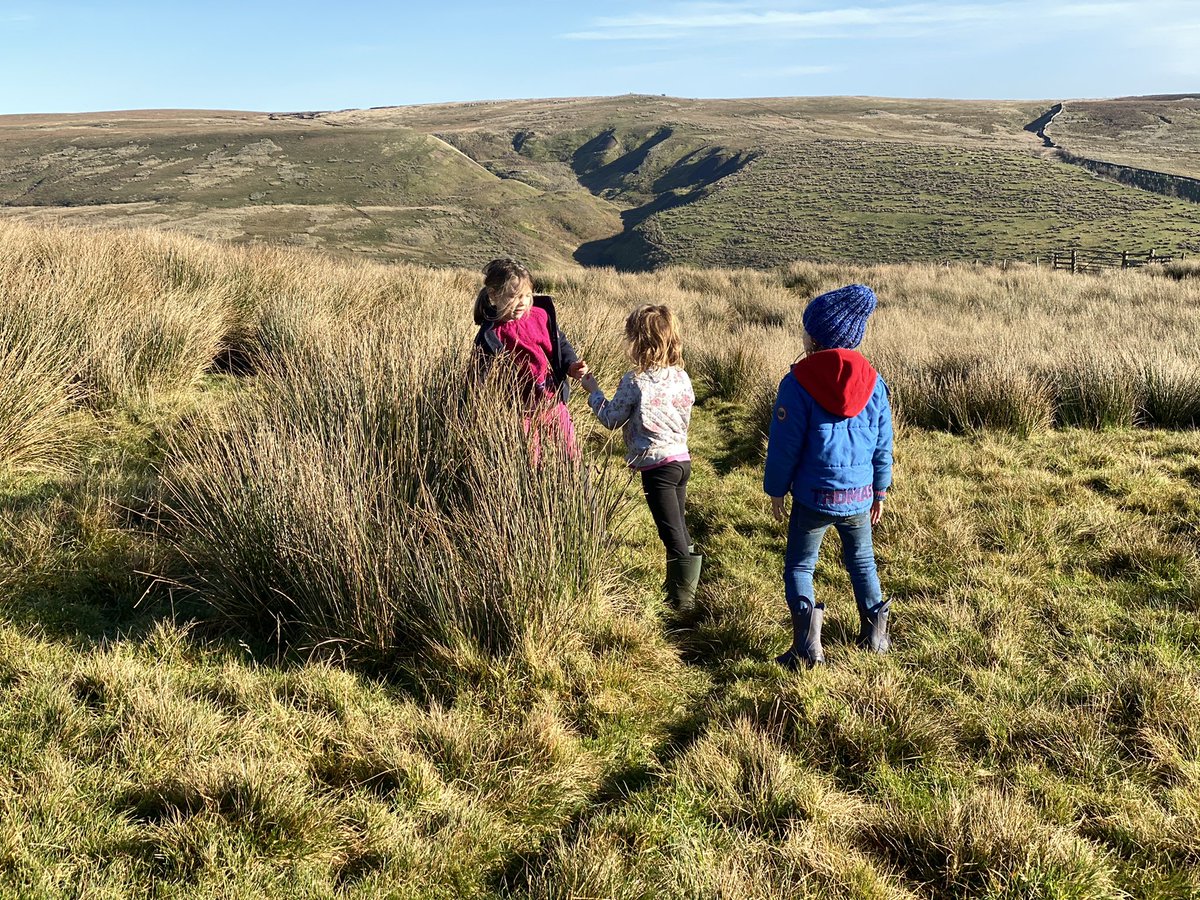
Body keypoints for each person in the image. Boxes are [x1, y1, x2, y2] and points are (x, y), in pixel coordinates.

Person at [763, 284, 893, 669]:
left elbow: (784, 447)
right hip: (859, 496)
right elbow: (883, 445)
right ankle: (876, 636)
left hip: (813, 496)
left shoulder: (797, 383)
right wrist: (880, 490)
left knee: (800, 566)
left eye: (806, 329)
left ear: (815, 337)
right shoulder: (875, 383)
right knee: (863, 562)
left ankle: (807, 647)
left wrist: (776, 490)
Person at [581, 305, 700, 612]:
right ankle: (678, 589)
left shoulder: (635, 382)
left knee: (670, 532)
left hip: (656, 466)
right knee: (678, 527)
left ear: (638, 342)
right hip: (681, 459)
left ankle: (682, 604)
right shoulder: (681, 376)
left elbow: (611, 419)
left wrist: (593, 390)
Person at [472, 257, 587, 458]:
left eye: (526, 295)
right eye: (513, 296)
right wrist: (476, 407)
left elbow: (559, 344)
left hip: (552, 402)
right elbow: (477, 377)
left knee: (571, 456)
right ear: (493, 295)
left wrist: (570, 365)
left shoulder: (540, 316)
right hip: (518, 412)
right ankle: (535, 489)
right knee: (531, 462)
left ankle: (579, 488)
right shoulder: (490, 335)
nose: (522, 302)